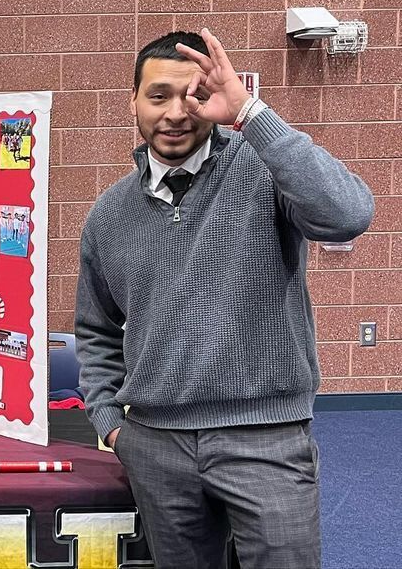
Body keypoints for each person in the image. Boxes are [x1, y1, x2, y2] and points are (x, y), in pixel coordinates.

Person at [75, 29, 374, 568]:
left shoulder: (263, 171)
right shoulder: (109, 214)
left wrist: (252, 114)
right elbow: (97, 331)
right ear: (133, 101)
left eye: (194, 95)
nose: (175, 113)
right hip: (156, 445)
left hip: (267, 439)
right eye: (158, 95)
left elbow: (348, 215)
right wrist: (110, 422)